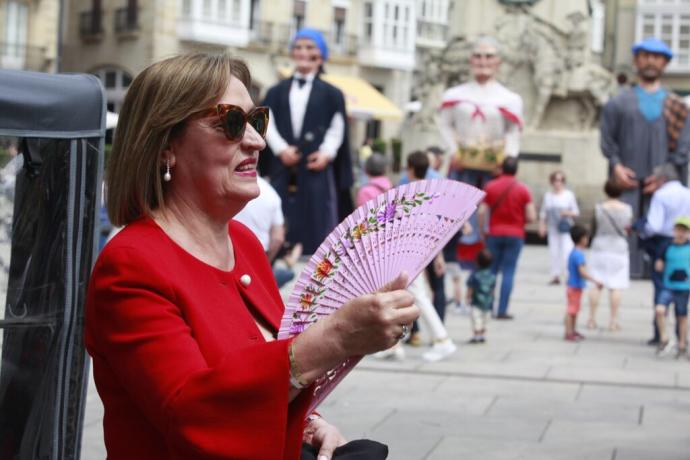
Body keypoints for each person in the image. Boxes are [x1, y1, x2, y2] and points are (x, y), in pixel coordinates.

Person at [86, 53, 419, 459]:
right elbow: (192, 413)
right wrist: (334, 337)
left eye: (256, 121)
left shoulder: (243, 242)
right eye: (230, 123)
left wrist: (310, 425)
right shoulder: (131, 263)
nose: (257, 141)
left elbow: (264, 381)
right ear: (164, 148)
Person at [600, 37, 690, 281]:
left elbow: (684, 146)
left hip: (662, 180)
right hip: (627, 177)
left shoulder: (678, 106)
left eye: (656, 57)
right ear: (636, 61)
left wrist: (665, 174)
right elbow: (608, 139)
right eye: (645, 56)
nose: (650, 61)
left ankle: (658, 269)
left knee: (662, 225)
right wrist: (616, 166)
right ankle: (626, 270)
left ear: (665, 63)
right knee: (625, 223)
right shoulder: (618, 102)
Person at [261, 28, 354, 255]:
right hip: (283, 165)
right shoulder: (275, 91)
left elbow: (337, 128)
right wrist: (281, 149)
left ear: (320, 55)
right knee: (279, 212)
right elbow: (267, 122)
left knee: (317, 219)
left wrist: (326, 153)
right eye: (299, 47)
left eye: (310, 47)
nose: (303, 52)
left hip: (314, 167)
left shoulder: (333, 94)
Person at [438, 35, 524, 191]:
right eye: (478, 56)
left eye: (489, 56)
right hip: (461, 167)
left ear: (498, 61)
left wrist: (506, 159)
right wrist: (453, 151)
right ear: (471, 60)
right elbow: (445, 125)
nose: (483, 61)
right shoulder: (454, 94)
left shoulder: (510, 99)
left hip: (494, 169)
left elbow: (513, 133)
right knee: (457, 213)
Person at [404, 151, 457, 362]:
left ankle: (442, 339)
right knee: (413, 296)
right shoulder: (431, 193)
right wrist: (438, 256)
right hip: (421, 250)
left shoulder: (410, 193)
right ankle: (393, 346)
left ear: (410, 169)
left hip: (409, 251)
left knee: (419, 297)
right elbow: (436, 229)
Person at [477, 157, 536, 319]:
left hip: (494, 233)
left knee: (492, 270)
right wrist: (521, 221)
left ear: (502, 168)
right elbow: (531, 216)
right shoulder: (523, 189)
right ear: (516, 170)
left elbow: (481, 211)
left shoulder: (491, 186)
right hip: (515, 234)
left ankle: (487, 306)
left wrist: (483, 230)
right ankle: (502, 310)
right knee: (509, 272)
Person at [643, 163, 690, 344]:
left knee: (662, 287)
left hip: (664, 242)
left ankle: (659, 334)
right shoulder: (687, 192)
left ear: (662, 179)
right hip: (686, 241)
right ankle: (682, 337)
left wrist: (643, 231)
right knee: (683, 293)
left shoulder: (661, 195)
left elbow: (653, 226)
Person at [233, 175, 302, 288]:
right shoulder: (271, 194)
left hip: (229, 251)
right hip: (258, 255)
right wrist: (266, 265)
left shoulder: (228, 184)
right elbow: (277, 238)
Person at [587, 179, 633, 331]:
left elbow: (593, 229)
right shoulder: (627, 209)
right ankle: (613, 321)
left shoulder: (598, 208)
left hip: (600, 246)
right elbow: (628, 230)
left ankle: (592, 319)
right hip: (618, 248)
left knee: (596, 284)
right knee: (616, 285)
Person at [654, 216, 690, 357]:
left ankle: (682, 343)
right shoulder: (667, 246)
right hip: (668, 285)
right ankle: (664, 337)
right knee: (660, 309)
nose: (680, 233)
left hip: (684, 286)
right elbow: (659, 263)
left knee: (681, 315)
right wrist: (659, 265)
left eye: (683, 230)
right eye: (678, 229)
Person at [538, 171, 580, 285]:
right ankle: (555, 275)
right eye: (556, 180)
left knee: (567, 251)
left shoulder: (568, 195)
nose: (558, 183)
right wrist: (542, 226)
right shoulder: (548, 196)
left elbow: (576, 212)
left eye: (561, 180)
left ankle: (569, 275)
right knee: (554, 252)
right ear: (552, 182)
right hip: (553, 228)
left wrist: (567, 213)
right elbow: (543, 213)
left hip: (566, 228)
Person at [565, 225, 603, 342]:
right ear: (582, 239)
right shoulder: (578, 254)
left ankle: (572, 330)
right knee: (571, 310)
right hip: (574, 286)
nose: (587, 240)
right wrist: (595, 281)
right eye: (586, 238)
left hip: (574, 285)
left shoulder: (574, 252)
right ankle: (568, 332)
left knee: (575, 310)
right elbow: (582, 272)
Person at [466, 249, 496, 344]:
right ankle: (482, 335)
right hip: (488, 302)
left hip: (476, 302)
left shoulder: (474, 275)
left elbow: (471, 288)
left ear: (477, 262)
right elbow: (492, 290)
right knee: (485, 319)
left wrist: (468, 297)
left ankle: (476, 336)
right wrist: (493, 299)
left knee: (476, 318)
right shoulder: (492, 276)